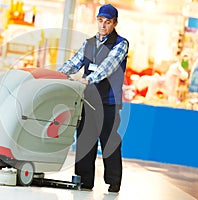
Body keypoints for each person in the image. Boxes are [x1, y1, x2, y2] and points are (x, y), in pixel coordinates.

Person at [58, 4, 129, 193]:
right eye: (100, 21)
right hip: (88, 100)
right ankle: (83, 180)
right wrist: (55, 75)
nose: (103, 26)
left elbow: (108, 66)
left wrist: (88, 79)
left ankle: (113, 182)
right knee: (84, 140)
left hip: (109, 102)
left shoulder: (121, 44)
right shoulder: (89, 43)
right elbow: (74, 62)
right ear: (96, 21)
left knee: (109, 142)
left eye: (107, 22)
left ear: (114, 24)